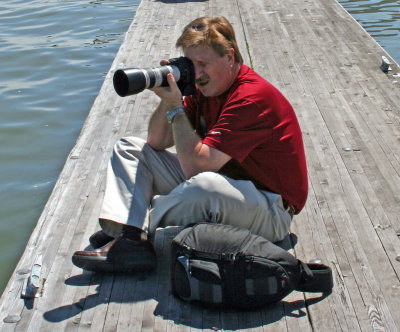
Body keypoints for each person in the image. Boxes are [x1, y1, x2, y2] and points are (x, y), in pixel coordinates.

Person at [72, 16, 308, 273]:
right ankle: (128, 234)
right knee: (131, 148)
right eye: (190, 63)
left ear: (229, 58)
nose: (196, 74)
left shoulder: (251, 98)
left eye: (203, 63)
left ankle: (132, 230)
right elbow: (157, 142)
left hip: (271, 210)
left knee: (204, 186)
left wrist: (176, 108)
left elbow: (198, 170)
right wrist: (167, 97)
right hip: (229, 185)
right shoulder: (206, 89)